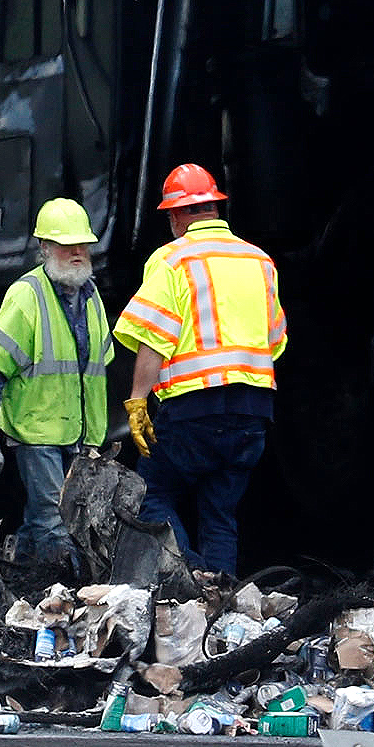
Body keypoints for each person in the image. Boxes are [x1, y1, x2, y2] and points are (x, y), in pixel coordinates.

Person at [112, 164, 285, 581]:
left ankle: (188, 579)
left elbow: (154, 336)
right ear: (214, 207)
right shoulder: (260, 261)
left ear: (176, 215)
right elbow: (276, 340)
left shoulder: (172, 260)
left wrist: (137, 402)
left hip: (192, 410)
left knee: (152, 496)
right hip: (252, 411)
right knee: (221, 515)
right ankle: (219, 602)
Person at [0, 197, 114, 566]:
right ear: (45, 248)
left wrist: (99, 439)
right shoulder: (27, 295)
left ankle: (19, 575)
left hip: (81, 437)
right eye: (67, 246)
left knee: (47, 521)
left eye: (82, 244)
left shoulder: (91, 297)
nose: (78, 253)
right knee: (57, 523)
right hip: (37, 433)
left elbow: (96, 374)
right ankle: (64, 595)